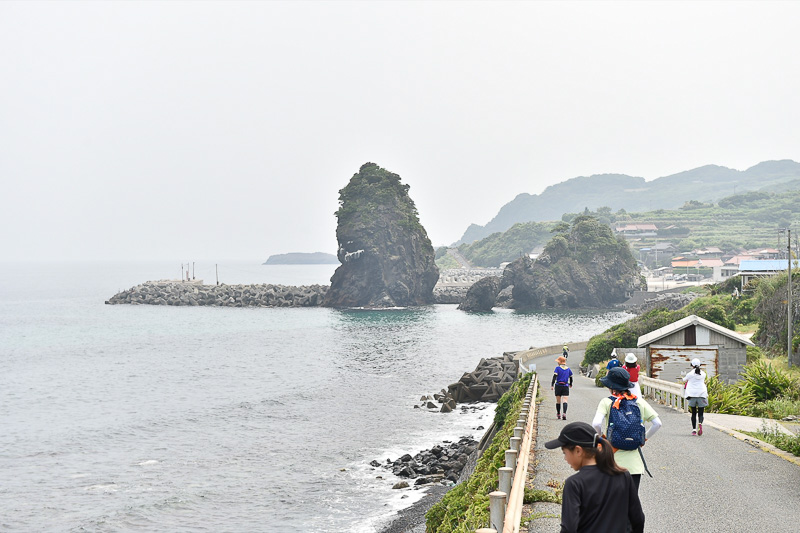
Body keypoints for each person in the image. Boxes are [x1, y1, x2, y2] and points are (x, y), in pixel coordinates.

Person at [545, 421, 645, 533]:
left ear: (578, 450)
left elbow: (569, 528)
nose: (565, 458)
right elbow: (638, 519)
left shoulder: (574, 483)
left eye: (564, 453)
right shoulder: (623, 476)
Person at [593, 367, 662, 491]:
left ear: (611, 386)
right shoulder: (639, 402)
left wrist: (602, 438)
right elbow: (657, 423)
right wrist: (644, 439)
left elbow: (596, 423)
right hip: (634, 466)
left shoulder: (606, 402)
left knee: (612, 503)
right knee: (630, 504)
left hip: (611, 463)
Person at [683, 358, 709, 436]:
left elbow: (684, 380)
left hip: (692, 394)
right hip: (702, 394)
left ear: (692, 365)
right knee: (701, 413)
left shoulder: (690, 374)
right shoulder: (703, 374)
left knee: (693, 413)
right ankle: (700, 423)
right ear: (700, 365)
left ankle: (694, 430)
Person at [551, 356, 573, 420]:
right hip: (565, 386)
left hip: (558, 385)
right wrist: (571, 384)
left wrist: (552, 385)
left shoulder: (557, 368)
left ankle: (558, 414)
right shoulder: (568, 369)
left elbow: (554, 377)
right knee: (565, 401)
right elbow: (571, 377)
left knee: (558, 401)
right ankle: (564, 413)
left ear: (559, 362)